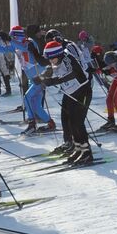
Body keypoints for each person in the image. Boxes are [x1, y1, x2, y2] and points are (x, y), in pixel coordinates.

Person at [36, 37, 94, 165]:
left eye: (52, 58)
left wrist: (53, 81)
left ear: (58, 54)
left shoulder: (68, 59)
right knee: (71, 123)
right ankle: (78, 149)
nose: (51, 61)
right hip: (71, 93)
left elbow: (74, 74)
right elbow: (49, 69)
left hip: (83, 91)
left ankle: (87, 152)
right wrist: (40, 78)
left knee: (78, 122)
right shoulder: (56, 60)